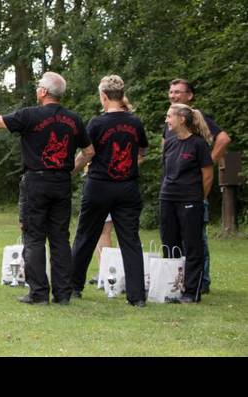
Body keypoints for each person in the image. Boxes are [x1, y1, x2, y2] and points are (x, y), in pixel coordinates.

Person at [0, 72, 93, 305]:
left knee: (34, 237)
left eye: (38, 86)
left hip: (36, 182)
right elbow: (89, 152)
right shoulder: (74, 119)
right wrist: (69, 171)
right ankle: (63, 294)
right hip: (61, 183)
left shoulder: (30, 115)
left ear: (43, 92)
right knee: (60, 238)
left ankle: (38, 293)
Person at [70, 75, 149, 307]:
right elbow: (142, 152)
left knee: (86, 236)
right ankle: (137, 297)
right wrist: (126, 167)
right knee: (130, 240)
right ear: (121, 96)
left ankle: (73, 287)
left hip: (99, 186)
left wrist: (69, 173)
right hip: (127, 187)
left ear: (104, 97)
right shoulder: (135, 123)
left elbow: (87, 153)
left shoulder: (96, 123)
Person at [164, 78, 231, 295]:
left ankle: (200, 283)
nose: (173, 95)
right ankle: (172, 283)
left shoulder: (197, 130)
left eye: (178, 92)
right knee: (172, 240)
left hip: (191, 196)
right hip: (170, 194)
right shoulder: (171, 132)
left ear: (189, 96)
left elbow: (223, 139)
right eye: (171, 92)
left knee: (195, 240)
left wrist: (203, 166)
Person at [160, 103, 214, 303]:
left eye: (169, 116)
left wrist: (199, 198)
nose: (166, 120)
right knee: (169, 244)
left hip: (190, 200)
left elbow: (207, 176)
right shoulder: (171, 142)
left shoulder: (199, 144)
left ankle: (191, 292)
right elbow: (166, 171)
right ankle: (172, 287)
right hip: (167, 198)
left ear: (181, 119)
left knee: (192, 245)